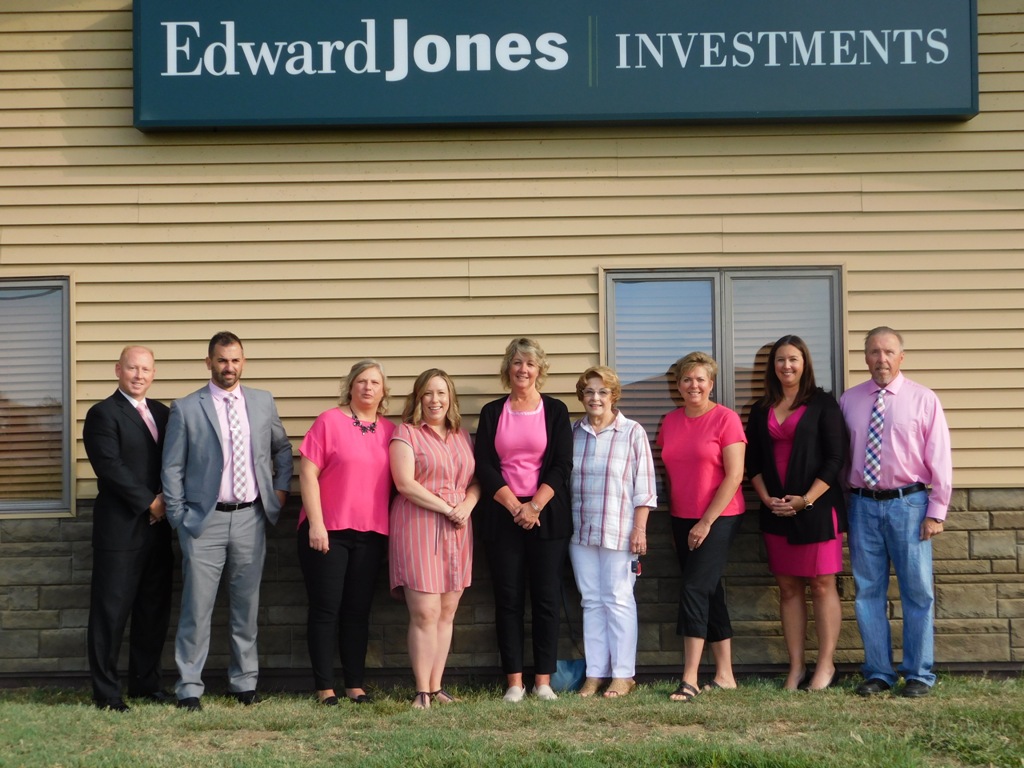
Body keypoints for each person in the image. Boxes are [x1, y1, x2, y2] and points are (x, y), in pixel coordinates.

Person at [161, 331, 293, 711]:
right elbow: (171, 468)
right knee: (196, 609)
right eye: (221, 360)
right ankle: (189, 687)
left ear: (243, 361)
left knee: (245, 608)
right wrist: (178, 517)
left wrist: (279, 493)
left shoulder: (262, 401)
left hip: (251, 518)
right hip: (204, 523)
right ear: (209, 362)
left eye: (235, 360)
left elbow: (282, 449)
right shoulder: (187, 408)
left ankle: (244, 683)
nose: (229, 367)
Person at [840, 326, 952, 699]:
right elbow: (841, 458)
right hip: (862, 505)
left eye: (888, 352)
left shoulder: (924, 399)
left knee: (917, 591)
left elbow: (940, 458)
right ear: (865, 358)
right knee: (867, 591)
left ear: (901, 357)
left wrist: (936, 511)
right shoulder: (850, 400)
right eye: (874, 352)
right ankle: (879, 672)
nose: (881, 359)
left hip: (910, 505)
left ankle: (919, 673)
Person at [745, 336, 848, 692]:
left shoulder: (823, 404)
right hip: (776, 511)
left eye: (793, 359)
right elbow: (753, 461)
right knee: (788, 589)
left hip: (817, 509)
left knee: (821, 585)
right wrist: (766, 499)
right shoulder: (760, 409)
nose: (786, 366)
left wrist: (805, 500)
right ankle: (796, 667)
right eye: (780, 360)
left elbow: (836, 459)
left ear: (804, 363)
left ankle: (826, 665)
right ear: (771, 366)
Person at [475, 337, 573, 703]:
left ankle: (543, 682)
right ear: (508, 368)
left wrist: (534, 507)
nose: (523, 369)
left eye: (530, 363)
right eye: (517, 362)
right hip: (503, 517)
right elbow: (484, 465)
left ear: (539, 369)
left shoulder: (556, 410)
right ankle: (514, 683)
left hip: (547, 518)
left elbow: (562, 464)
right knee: (509, 600)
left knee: (546, 600)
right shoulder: (492, 412)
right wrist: (516, 506)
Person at [297, 360, 395, 706]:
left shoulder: (391, 431)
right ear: (350, 386)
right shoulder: (329, 421)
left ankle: (355, 684)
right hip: (328, 532)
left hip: (372, 533)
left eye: (375, 383)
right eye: (362, 381)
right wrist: (316, 523)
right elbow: (307, 473)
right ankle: (325, 687)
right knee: (326, 609)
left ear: (383, 391)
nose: (368, 387)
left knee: (357, 611)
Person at [83, 345, 173, 712]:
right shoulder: (102, 414)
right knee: (111, 613)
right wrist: (150, 502)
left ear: (153, 374)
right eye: (132, 368)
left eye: (145, 369)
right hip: (120, 530)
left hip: (159, 529)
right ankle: (107, 693)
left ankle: (146, 685)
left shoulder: (163, 414)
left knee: (153, 610)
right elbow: (110, 466)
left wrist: (167, 499)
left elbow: (175, 460)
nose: (139, 375)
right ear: (118, 370)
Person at [656, 352, 746, 703]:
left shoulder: (726, 419)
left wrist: (706, 522)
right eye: (687, 379)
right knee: (708, 590)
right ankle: (725, 676)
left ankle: (689, 678)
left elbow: (735, 476)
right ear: (678, 385)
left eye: (700, 379)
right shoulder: (670, 421)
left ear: (711, 384)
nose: (693, 385)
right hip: (681, 517)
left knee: (694, 589)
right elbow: (670, 471)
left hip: (719, 517)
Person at [389, 369, 480, 710]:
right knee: (425, 612)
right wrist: (446, 508)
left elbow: (475, 481)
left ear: (450, 398)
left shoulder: (461, 436)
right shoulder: (406, 433)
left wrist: (467, 505)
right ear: (418, 398)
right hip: (419, 524)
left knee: (446, 611)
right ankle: (421, 691)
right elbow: (405, 484)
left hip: (458, 527)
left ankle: (437, 686)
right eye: (428, 393)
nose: (435, 400)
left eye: (441, 393)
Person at [569, 366, 657, 699]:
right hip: (580, 532)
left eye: (603, 391)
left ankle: (623, 675)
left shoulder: (632, 432)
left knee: (619, 600)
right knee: (591, 601)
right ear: (582, 396)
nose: (595, 398)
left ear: (614, 396)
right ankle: (595, 674)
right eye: (589, 391)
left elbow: (644, 488)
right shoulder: (573, 433)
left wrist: (640, 529)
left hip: (620, 531)